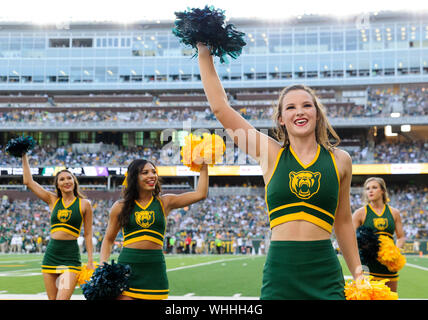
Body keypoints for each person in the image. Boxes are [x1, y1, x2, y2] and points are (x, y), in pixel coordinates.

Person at [197, 43, 363, 299]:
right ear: (281, 119)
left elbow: (342, 222)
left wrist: (358, 273)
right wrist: (204, 52)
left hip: (325, 272)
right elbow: (221, 109)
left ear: (317, 115)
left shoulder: (341, 160)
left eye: (307, 106)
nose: (300, 111)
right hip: (280, 272)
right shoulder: (270, 153)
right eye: (291, 107)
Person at [100, 159, 209, 300]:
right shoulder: (120, 206)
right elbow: (108, 239)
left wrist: (204, 165)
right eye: (145, 172)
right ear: (134, 177)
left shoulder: (164, 202)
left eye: (154, 172)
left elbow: (200, 193)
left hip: (155, 269)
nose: (152, 175)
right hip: (128, 268)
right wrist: (103, 267)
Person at [22, 153, 94, 300]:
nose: (66, 181)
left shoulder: (84, 204)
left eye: (69, 178)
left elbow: (88, 234)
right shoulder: (52, 200)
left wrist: (91, 261)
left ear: (74, 182)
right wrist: (24, 156)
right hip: (51, 255)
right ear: (58, 185)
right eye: (62, 179)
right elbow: (28, 182)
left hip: (70, 258)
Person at [352, 177, 406, 292]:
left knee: (390, 297)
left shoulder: (394, 213)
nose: (370, 191)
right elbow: (351, 238)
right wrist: (364, 246)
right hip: (367, 265)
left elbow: (401, 237)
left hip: (388, 266)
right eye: (367, 189)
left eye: (374, 187)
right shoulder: (360, 213)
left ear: (382, 191)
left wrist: (395, 251)